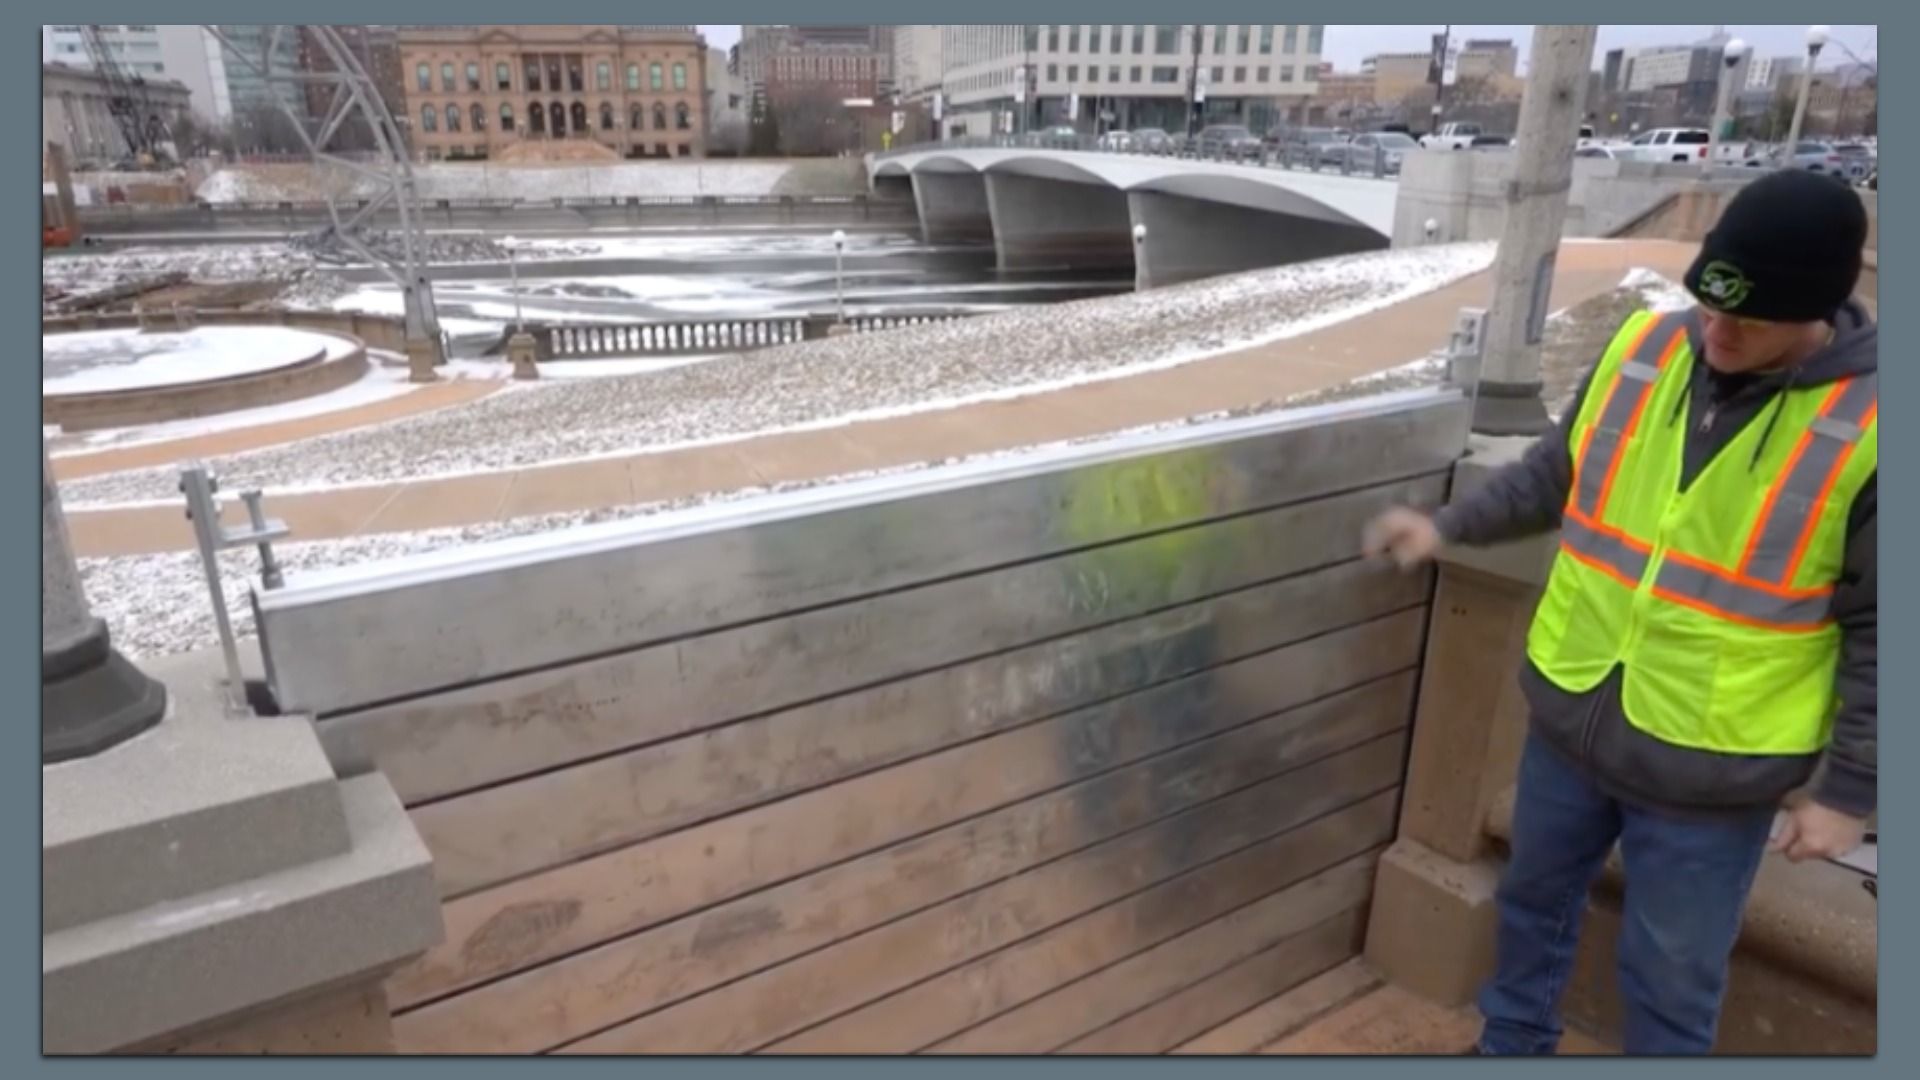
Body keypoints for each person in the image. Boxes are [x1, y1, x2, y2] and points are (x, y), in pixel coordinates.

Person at [1363, 169, 1876, 1056]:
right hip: (1575, 713)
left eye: (1745, 321)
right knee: (1530, 905)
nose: (1712, 332)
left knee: (1671, 974)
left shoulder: (1874, 425)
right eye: (1707, 305)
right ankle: (1512, 1048)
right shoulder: (1647, 348)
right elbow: (1554, 476)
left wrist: (1853, 795)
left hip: (1714, 768)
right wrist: (1446, 526)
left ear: (1818, 312)